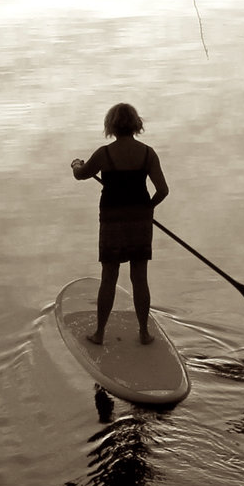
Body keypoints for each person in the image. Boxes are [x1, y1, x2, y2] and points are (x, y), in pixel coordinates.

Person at [70, 103, 168, 345]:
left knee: (109, 277)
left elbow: (81, 175)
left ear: (111, 125)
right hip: (140, 221)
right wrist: (148, 208)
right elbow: (163, 190)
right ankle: (144, 333)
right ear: (136, 124)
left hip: (113, 220)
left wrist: (76, 164)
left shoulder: (105, 154)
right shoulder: (147, 153)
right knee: (140, 278)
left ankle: (99, 334)